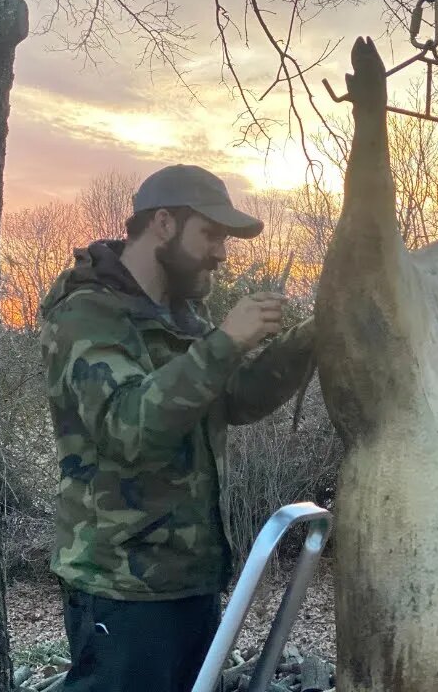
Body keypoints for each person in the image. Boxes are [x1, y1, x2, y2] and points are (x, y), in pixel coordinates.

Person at [37, 164, 317, 691]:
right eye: (210, 235)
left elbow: (232, 399)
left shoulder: (183, 317)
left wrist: (309, 338)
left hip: (189, 579)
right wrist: (226, 343)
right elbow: (128, 428)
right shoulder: (88, 315)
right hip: (121, 587)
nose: (221, 253)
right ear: (163, 223)